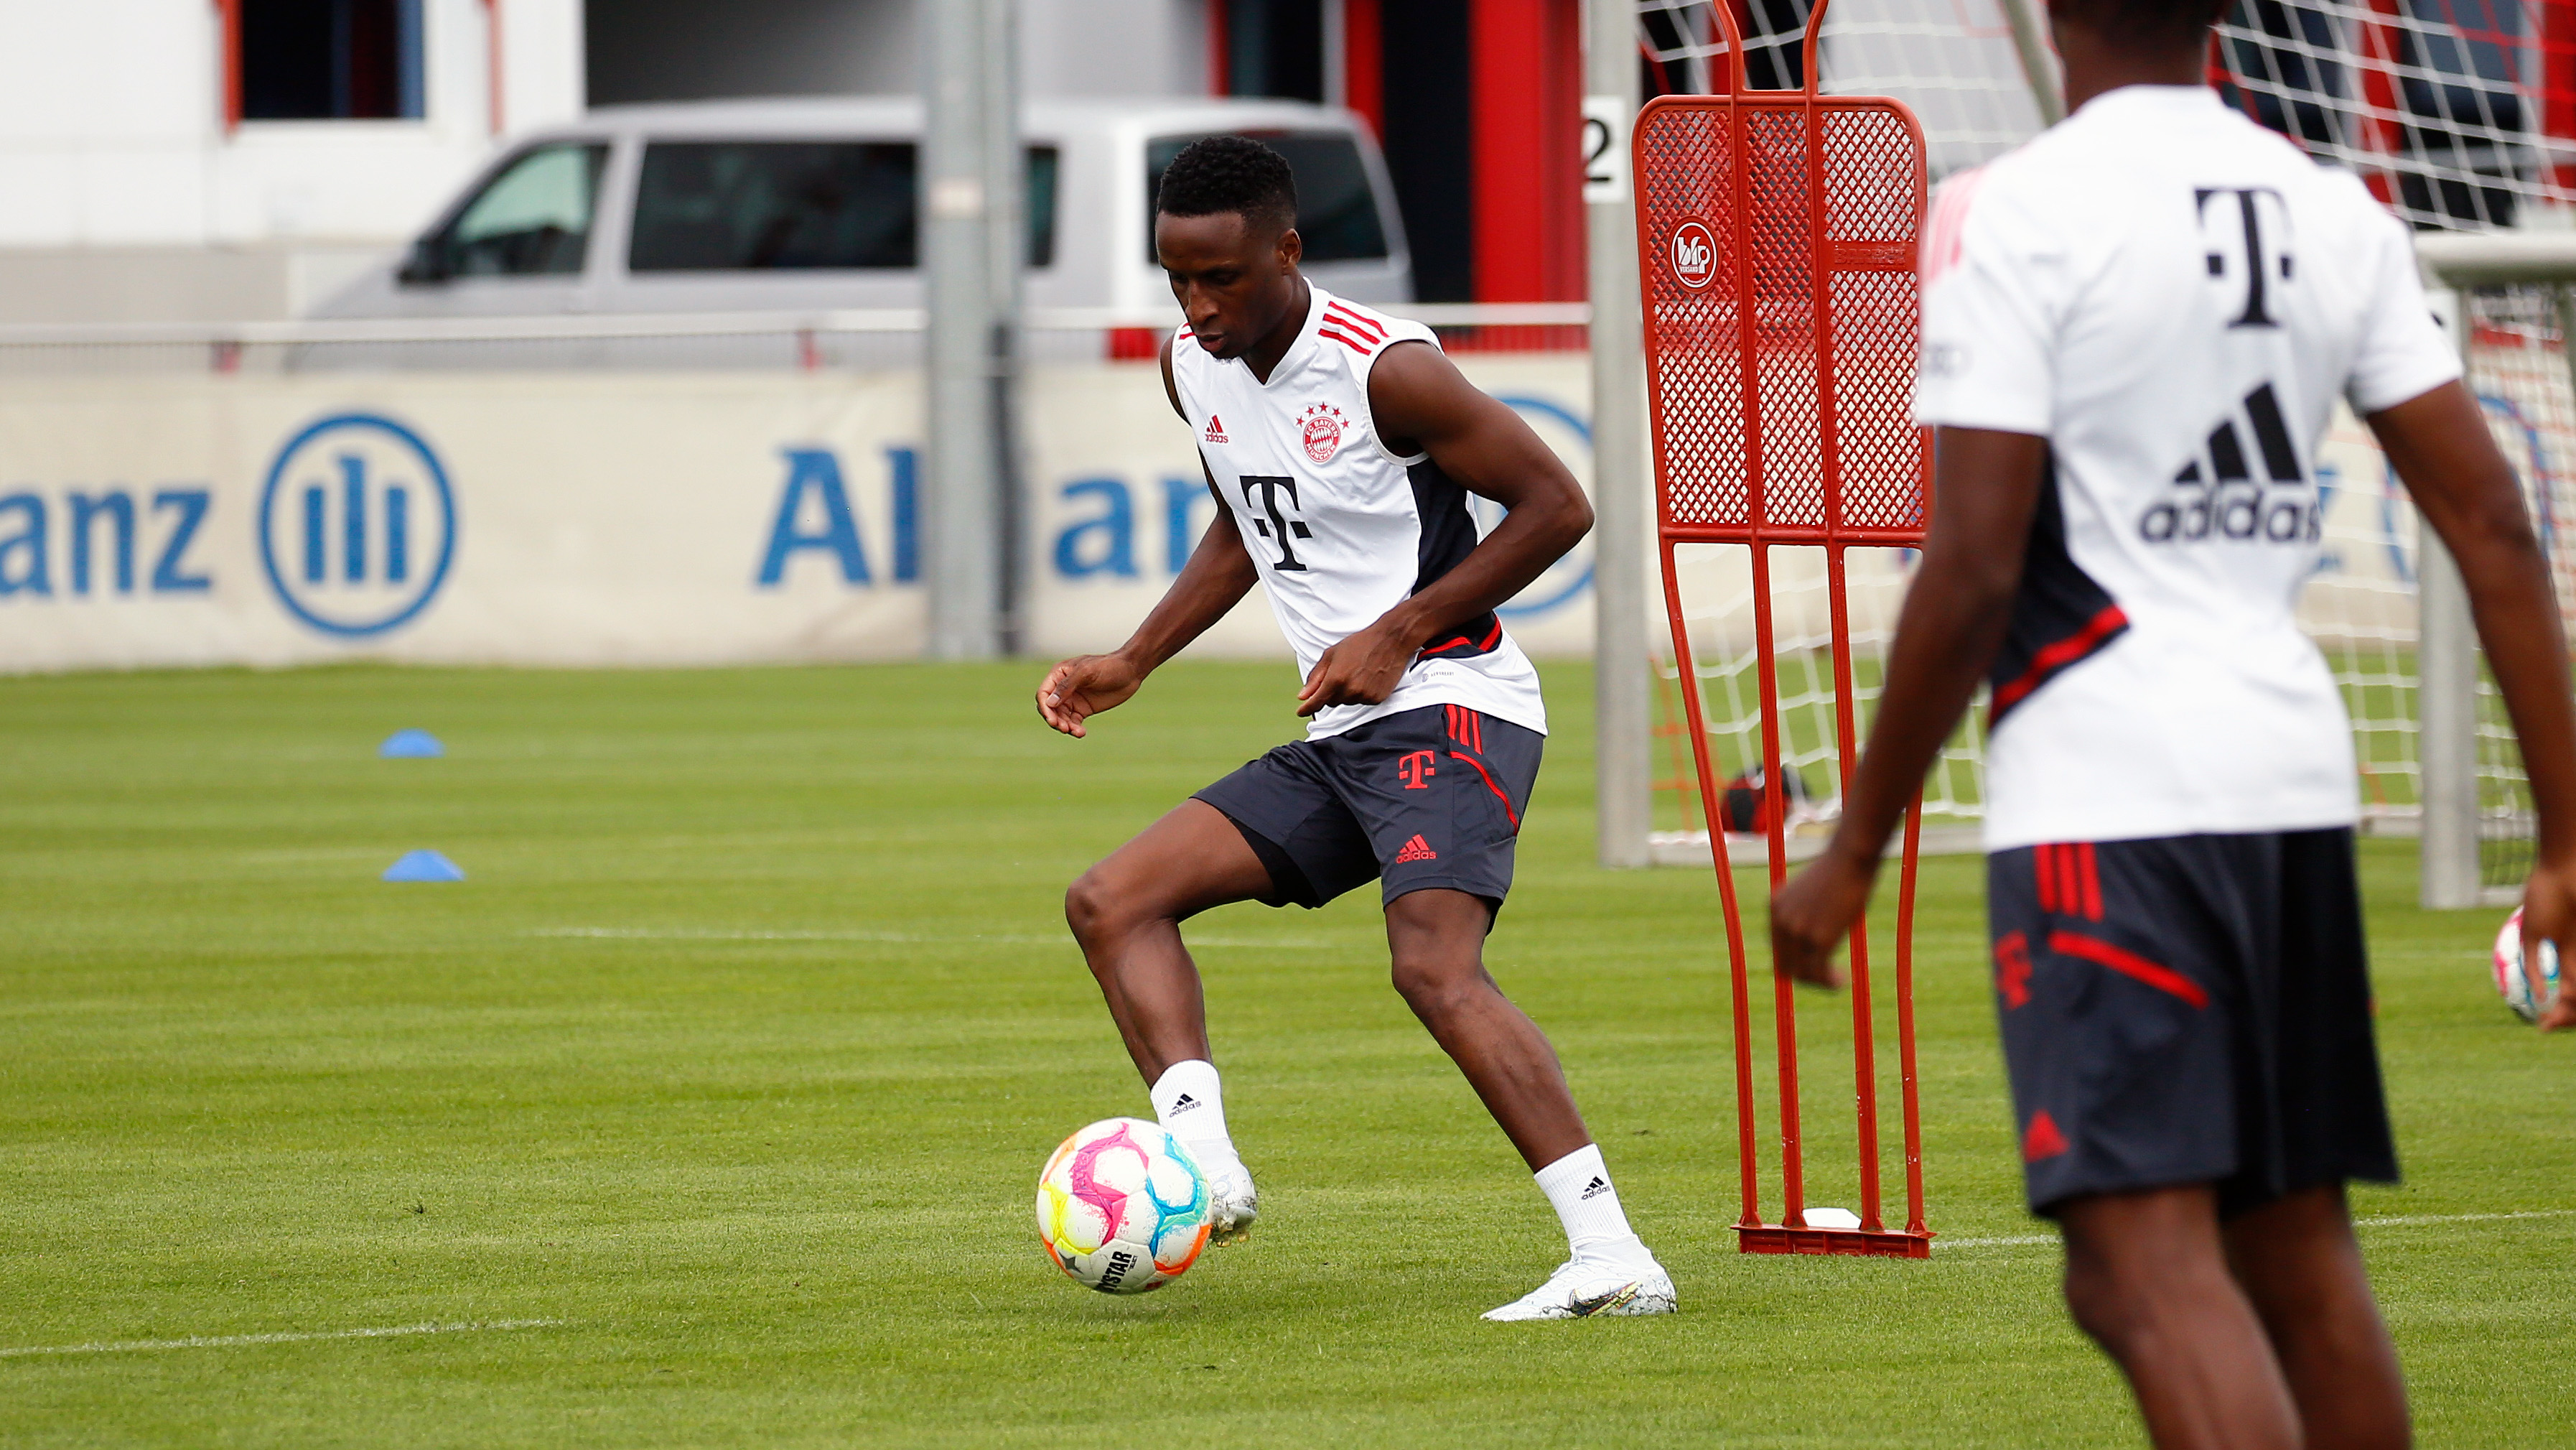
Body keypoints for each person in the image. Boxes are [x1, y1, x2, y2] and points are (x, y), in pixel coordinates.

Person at [1770, 0, 2576, 1444]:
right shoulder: (2333, 210)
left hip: (2109, 787)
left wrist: (1855, 845)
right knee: (2293, 1241)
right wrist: (2569, 835)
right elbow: (2497, 522)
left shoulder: (2007, 212)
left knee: (2138, 1270)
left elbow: (1973, 563)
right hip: (2291, 773)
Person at [1037, 136, 1673, 1321]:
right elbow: (1245, 519)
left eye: (1221, 276)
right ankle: (1205, 1163)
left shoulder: (1389, 371)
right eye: (1178, 277)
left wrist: (1401, 630)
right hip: (1346, 732)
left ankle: (1614, 1257)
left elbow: (1558, 505)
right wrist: (1135, 658)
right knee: (1111, 901)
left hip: (1458, 706)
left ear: (1286, 249)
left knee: (1434, 968)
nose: (1199, 303)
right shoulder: (1194, 365)